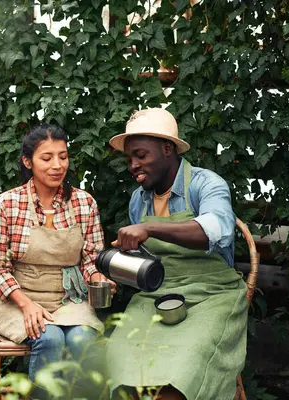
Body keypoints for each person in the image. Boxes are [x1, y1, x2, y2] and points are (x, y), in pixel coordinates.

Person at [104, 108, 248, 400]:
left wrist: (150, 227)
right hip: (158, 293)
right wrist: (122, 265)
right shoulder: (138, 199)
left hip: (212, 295)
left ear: (167, 149)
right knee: (119, 355)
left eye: (141, 155)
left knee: (185, 362)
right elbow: (147, 259)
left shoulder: (206, 184)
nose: (133, 165)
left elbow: (217, 229)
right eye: (129, 158)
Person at [0, 124, 117, 386]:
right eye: (47, 158)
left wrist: (99, 279)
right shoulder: (8, 203)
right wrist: (26, 304)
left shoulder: (84, 203)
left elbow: (91, 259)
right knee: (50, 338)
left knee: (83, 340)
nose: (57, 165)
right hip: (20, 298)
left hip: (69, 298)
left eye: (63, 156)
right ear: (28, 161)